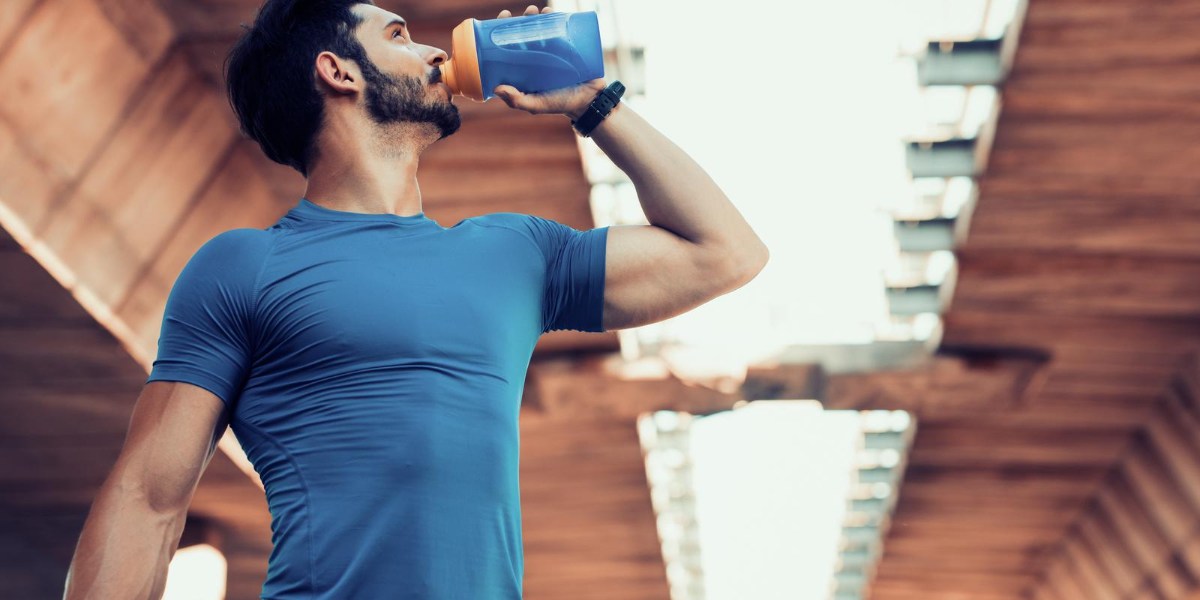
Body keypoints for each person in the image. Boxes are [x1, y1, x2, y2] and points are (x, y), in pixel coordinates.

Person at [62, 1, 768, 598]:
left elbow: (725, 253)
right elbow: (148, 499)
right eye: (398, 35)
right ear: (336, 72)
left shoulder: (514, 253)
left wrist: (593, 102)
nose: (435, 50)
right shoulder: (244, 266)